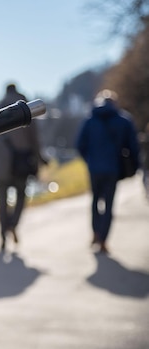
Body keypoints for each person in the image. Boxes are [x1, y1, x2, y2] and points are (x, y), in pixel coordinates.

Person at [0, 83, 47, 251]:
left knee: (2, 202)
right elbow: (35, 140)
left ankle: (3, 236)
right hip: (21, 164)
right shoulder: (26, 111)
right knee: (21, 197)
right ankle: (13, 224)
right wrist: (40, 159)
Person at [75, 89, 140, 254]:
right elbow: (133, 146)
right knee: (109, 204)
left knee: (95, 201)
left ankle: (96, 233)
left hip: (94, 168)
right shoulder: (124, 120)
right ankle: (103, 239)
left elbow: (80, 145)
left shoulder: (90, 120)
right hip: (112, 168)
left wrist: (90, 160)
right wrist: (135, 166)